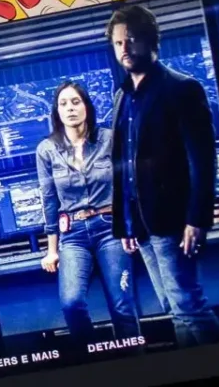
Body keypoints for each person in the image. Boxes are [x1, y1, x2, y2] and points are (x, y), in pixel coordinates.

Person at [105, 3, 219, 346]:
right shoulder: (122, 96)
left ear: (151, 40)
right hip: (141, 222)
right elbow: (123, 163)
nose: (125, 48)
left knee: (189, 305)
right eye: (118, 43)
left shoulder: (181, 88)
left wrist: (197, 219)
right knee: (172, 308)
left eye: (131, 40)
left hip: (172, 218)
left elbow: (203, 159)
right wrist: (125, 223)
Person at [37, 81, 141, 344]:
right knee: (71, 303)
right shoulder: (46, 149)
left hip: (111, 228)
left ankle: (134, 361)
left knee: (122, 306)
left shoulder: (110, 139)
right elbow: (49, 200)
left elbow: (129, 184)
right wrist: (51, 250)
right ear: (56, 111)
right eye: (63, 104)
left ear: (86, 106)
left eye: (76, 102)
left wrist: (131, 226)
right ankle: (92, 356)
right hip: (72, 234)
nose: (70, 108)